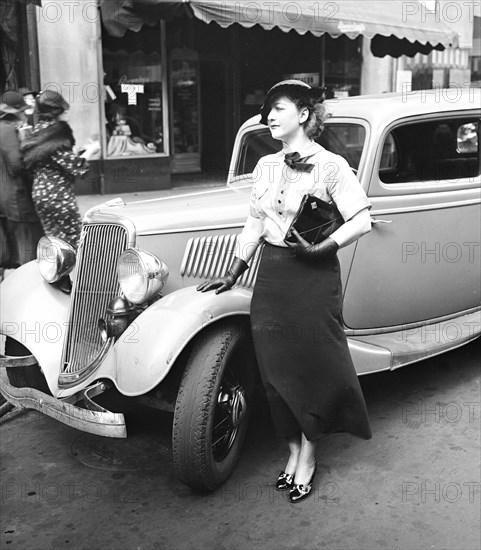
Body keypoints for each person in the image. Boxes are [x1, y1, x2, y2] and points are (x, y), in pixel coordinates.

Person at [197, 80, 372, 503]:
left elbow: (361, 219)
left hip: (312, 277)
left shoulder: (332, 165)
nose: (269, 116)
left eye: (277, 108)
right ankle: (291, 448)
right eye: (267, 110)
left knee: (309, 366)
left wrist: (321, 247)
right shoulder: (265, 165)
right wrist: (235, 268)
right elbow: (255, 222)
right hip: (272, 277)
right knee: (274, 370)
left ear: (305, 115)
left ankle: (308, 454)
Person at [20, 90, 97, 251]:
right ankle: (70, 275)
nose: (68, 112)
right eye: (65, 109)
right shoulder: (55, 135)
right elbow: (75, 166)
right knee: (74, 241)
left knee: (53, 240)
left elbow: (53, 159)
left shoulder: (38, 131)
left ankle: (57, 273)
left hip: (41, 193)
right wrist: (92, 150)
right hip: (58, 194)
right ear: (56, 111)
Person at [0, 90, 44, 277]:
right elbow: (16, 165)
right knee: (29, 253)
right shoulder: (10, 130)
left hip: (5, 199)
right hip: (17, 199)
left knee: (11, 249)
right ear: (16, 112)